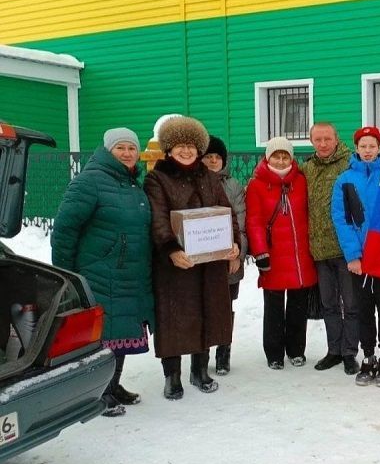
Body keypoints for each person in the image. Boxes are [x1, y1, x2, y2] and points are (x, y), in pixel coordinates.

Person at [51, 128, 154, 417]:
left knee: (120, 332)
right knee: (103, 336)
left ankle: (113, 384)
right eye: (120, 148)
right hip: (98, 273)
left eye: (131, 148)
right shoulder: (90, 181)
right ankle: (98, 393)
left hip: (128, 273)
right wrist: (66, 275)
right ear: (108, 150)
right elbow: (64, 229)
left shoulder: (133, 184)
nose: (127, 153)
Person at [143, 115, 241, 399]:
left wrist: (233, 243)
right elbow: (158, 219)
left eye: (191, 145)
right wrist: (171, 250)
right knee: (174, 320)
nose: (186, 151)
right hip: (176, 266)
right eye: (179, 145)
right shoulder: (156, 179)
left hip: (209, 264)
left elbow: (227, 213)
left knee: (207, 314)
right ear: (169, 149)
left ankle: (200, 370)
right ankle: (172, 377)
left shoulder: (209, 177)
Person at [331, 126, 380, 386]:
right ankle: (368, 356)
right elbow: (341, 219)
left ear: (378, 148)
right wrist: (353, 255)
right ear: (356, 148)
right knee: (363, 310)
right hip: (360, 260)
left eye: (372, 146)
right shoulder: (344, 180)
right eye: (363, 146)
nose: (368, 151)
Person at [245, 137, 317, 369]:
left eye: (285, 155)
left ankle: (296, 349)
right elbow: (254, 221)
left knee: (298, 307)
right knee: (274, 308)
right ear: (268, 157)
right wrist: (260, 252)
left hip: (300, 256)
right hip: (273, 255)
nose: (281, 159)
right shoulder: (256, 185)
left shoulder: (301, 181)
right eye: (276, 155)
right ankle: (274, 353)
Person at [300, 121, 359, 375]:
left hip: (345, 249)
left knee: (352, 304)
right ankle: (334, 350)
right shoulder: (308, 168)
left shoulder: (349, 163)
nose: (322, 144)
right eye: (317, 140)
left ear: (337, 139)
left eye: (327, 139)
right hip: (319, 251)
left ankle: (350, 353)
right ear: (311, 141)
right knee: (329, 305)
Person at [201, 135, 247, 375]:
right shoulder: (194, 182)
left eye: (217, 157)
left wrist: (237, 254)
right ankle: (202, 355)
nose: (213, 161)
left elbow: (240, 220)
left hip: (229, 256)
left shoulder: (233, 185)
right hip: (202, 259)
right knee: (203, 308)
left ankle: (223, 353)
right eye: (208, 157)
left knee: (225, 307)